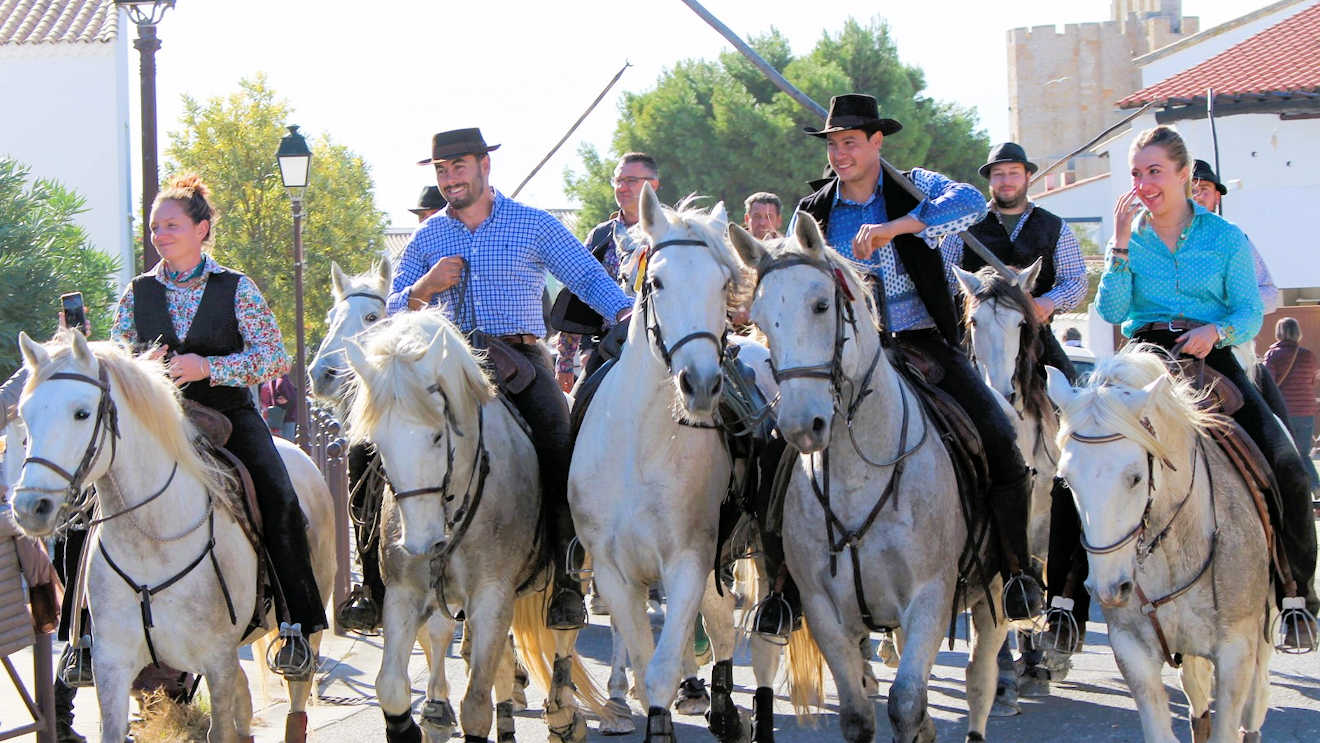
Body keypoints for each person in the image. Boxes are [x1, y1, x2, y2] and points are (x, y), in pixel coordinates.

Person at [768, 94, 1043, 633]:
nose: (840, 153)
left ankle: (1016, 572)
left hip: (922, 341)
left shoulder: (916, 186)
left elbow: (969, 202)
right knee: (776, 451)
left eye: (850, 142)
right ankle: (783, 589)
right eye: (833, 144)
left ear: (877, 142)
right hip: (841, 354)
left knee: (999, 439)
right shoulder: (814, 212)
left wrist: (898, 227)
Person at [389, 128, 632, 630]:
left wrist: (627, 314)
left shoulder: (532, 224)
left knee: (561, 449)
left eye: (459, 167)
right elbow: (391, 308)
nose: (450, 178)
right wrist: (424, 287)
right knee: (379, 447)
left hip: (519, 362)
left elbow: (586, 277)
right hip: (444, 368)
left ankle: (566, 582)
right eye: (442, 170)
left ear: (484, 166)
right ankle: (379, 577)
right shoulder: (427, 235)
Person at [1084, 125, 1317, 645]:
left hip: (1211, 355)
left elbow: (1249, 310)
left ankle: (1297, 595)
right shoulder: (1129, 238)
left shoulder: (1226, 238)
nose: (1143, 184)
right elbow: (1111, 311)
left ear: (1185, 175)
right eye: (1136, 174)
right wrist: (1119, 247)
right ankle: (1061, 605)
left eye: (1154, 172)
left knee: (1288, 468)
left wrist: (1217, 331)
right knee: (1078, 462)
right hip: (1143, 358)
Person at [111, 174, 326, 676]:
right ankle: (81, 635)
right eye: (153, 226)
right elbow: (118, 357)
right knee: (92, 496)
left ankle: (295, 624)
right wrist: (145, 364)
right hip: (157, 420)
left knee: (278, 493)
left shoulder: (237, 287)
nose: (158, 234)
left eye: (171, 225)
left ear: (202, 229)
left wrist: (209, 368)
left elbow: (274, 357)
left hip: (229, 414)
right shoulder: (136, 293)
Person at [942, 141, 1085, 381]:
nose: (1006, 181)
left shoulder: (1055, 227)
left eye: (1014, 173)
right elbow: (943, 278)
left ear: (1028, 176)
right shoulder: (963, 226)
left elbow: (1077, 281)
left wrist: (1047, 302)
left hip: (1035, 341)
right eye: (998, 175)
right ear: (990, 180)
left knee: (1071, 393)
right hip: (975, 342)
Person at [553, 152, 658, 392]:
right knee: (578, 412)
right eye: (618, 181)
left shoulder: (673, 233)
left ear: (653, 185)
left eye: (631, 181)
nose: (622, 187)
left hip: (666, 348)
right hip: (611, 348)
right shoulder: (601, 237)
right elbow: (577, 297)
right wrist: (566, 362)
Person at [1264, 317, 1320, 492]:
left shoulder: (1273, 355)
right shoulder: (1308, 355)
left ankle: (1297, 489)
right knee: (1302, 453)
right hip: (1306, 410)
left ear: (1279, 332)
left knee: (1286, 454)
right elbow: (1313, 380)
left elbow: (1268, 384)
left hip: (1283, 411)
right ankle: (1314, 487)